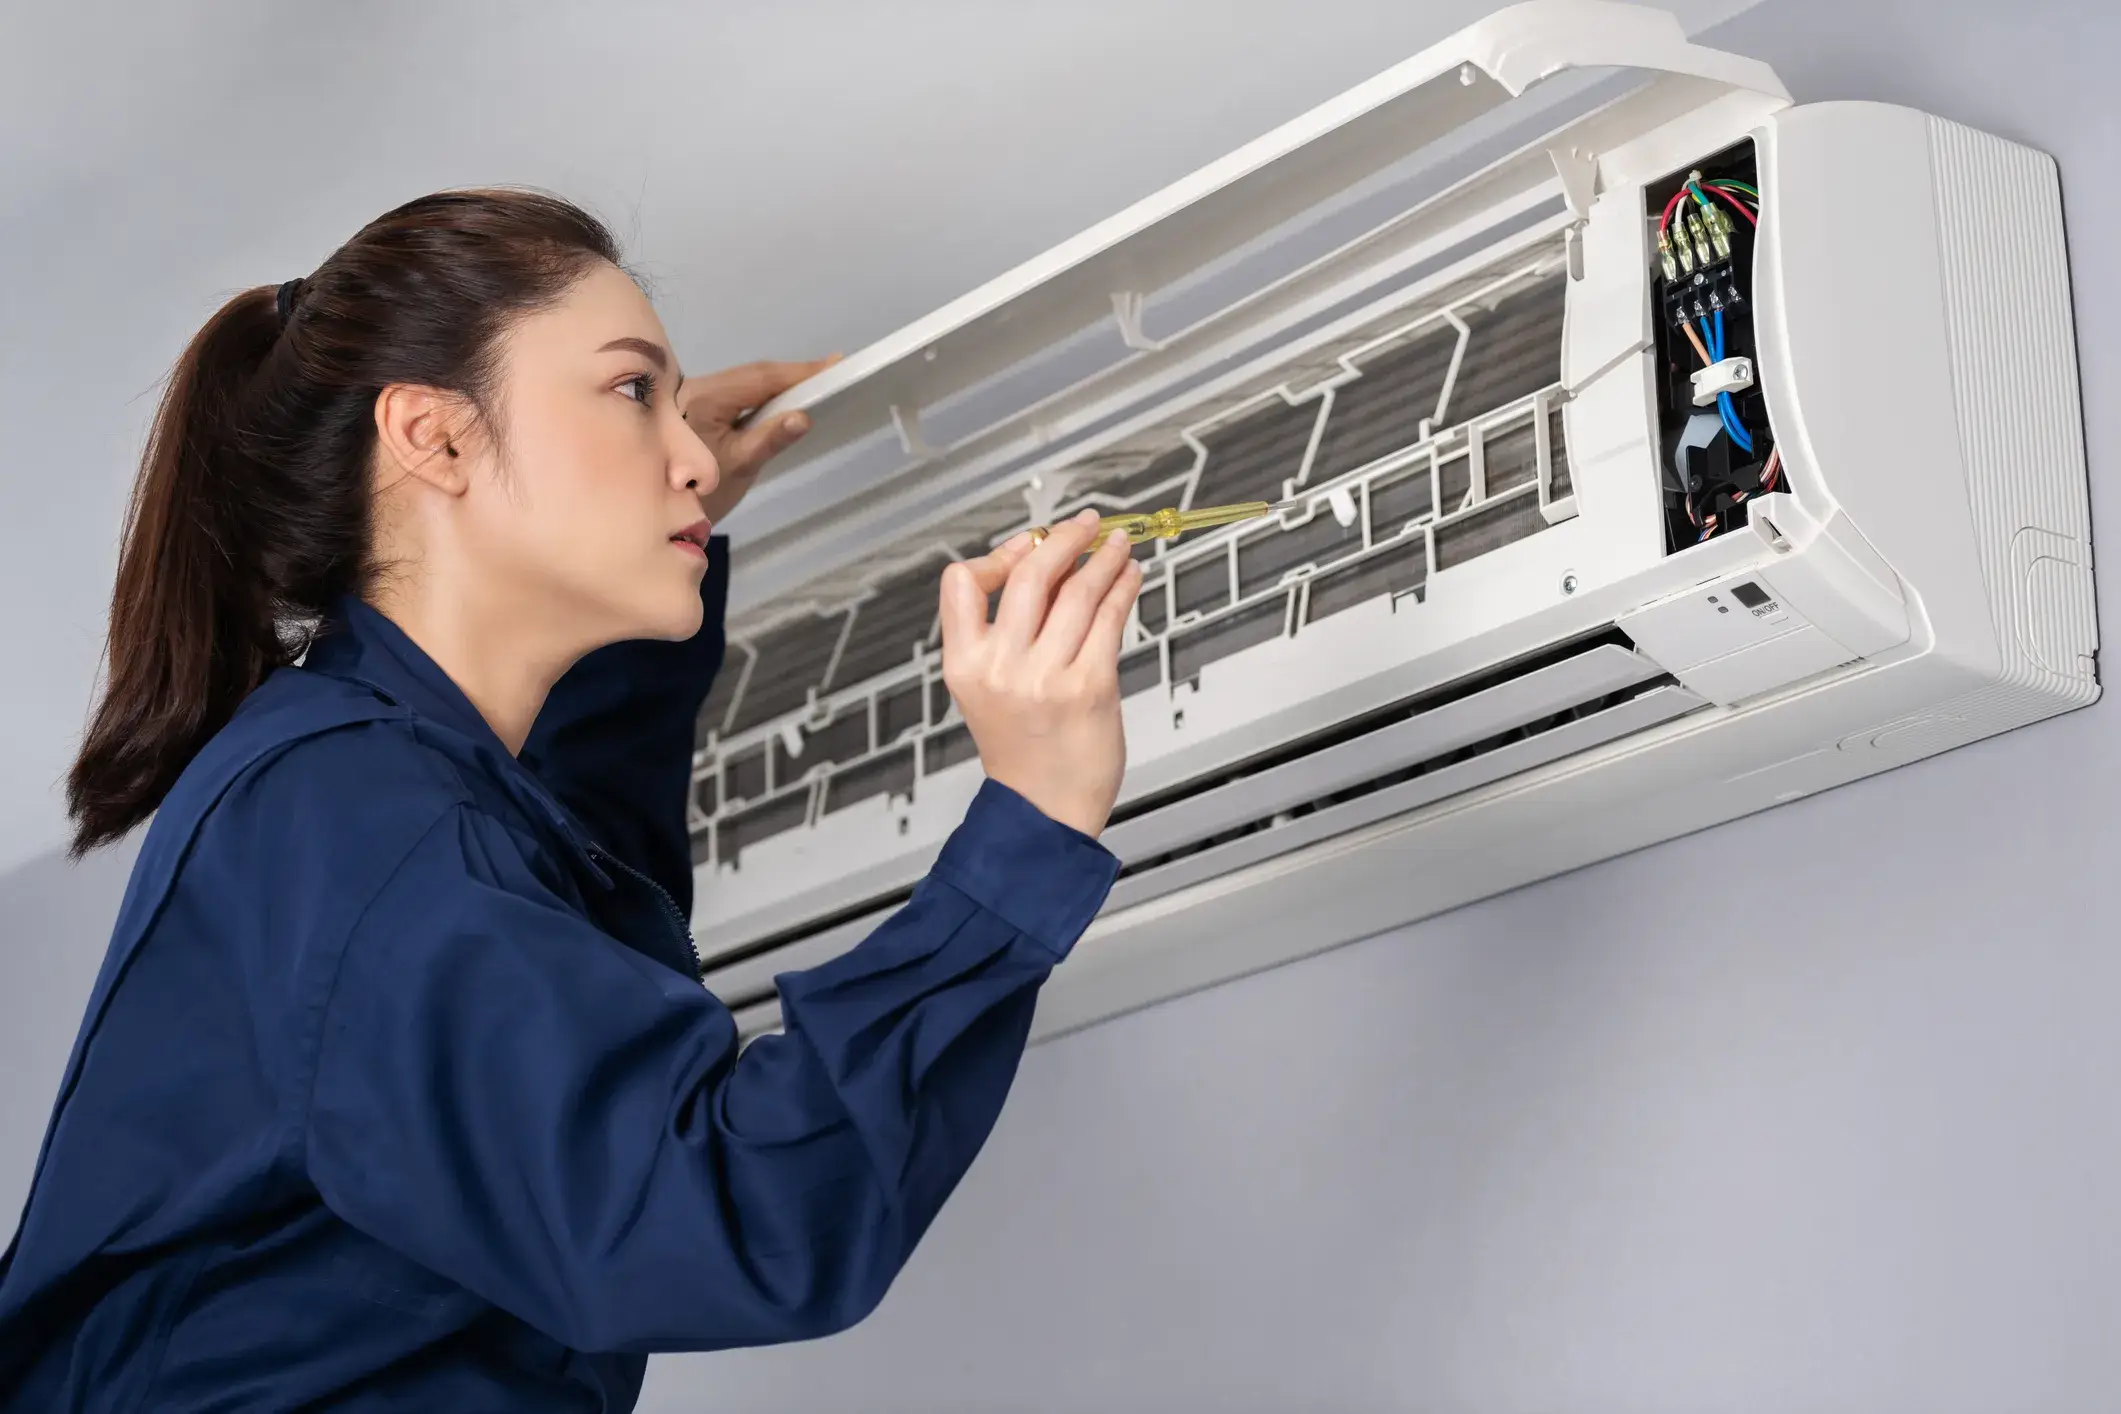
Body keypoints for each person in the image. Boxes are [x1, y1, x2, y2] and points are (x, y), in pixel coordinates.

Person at [0, 188, 1142, 1410]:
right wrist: (1030, 824)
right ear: (434, 439)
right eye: (630, 388)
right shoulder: (348, 814)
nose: (693, 452)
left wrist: (660, 531)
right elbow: (723, 1210)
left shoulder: (386, 788)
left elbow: (580, 891)